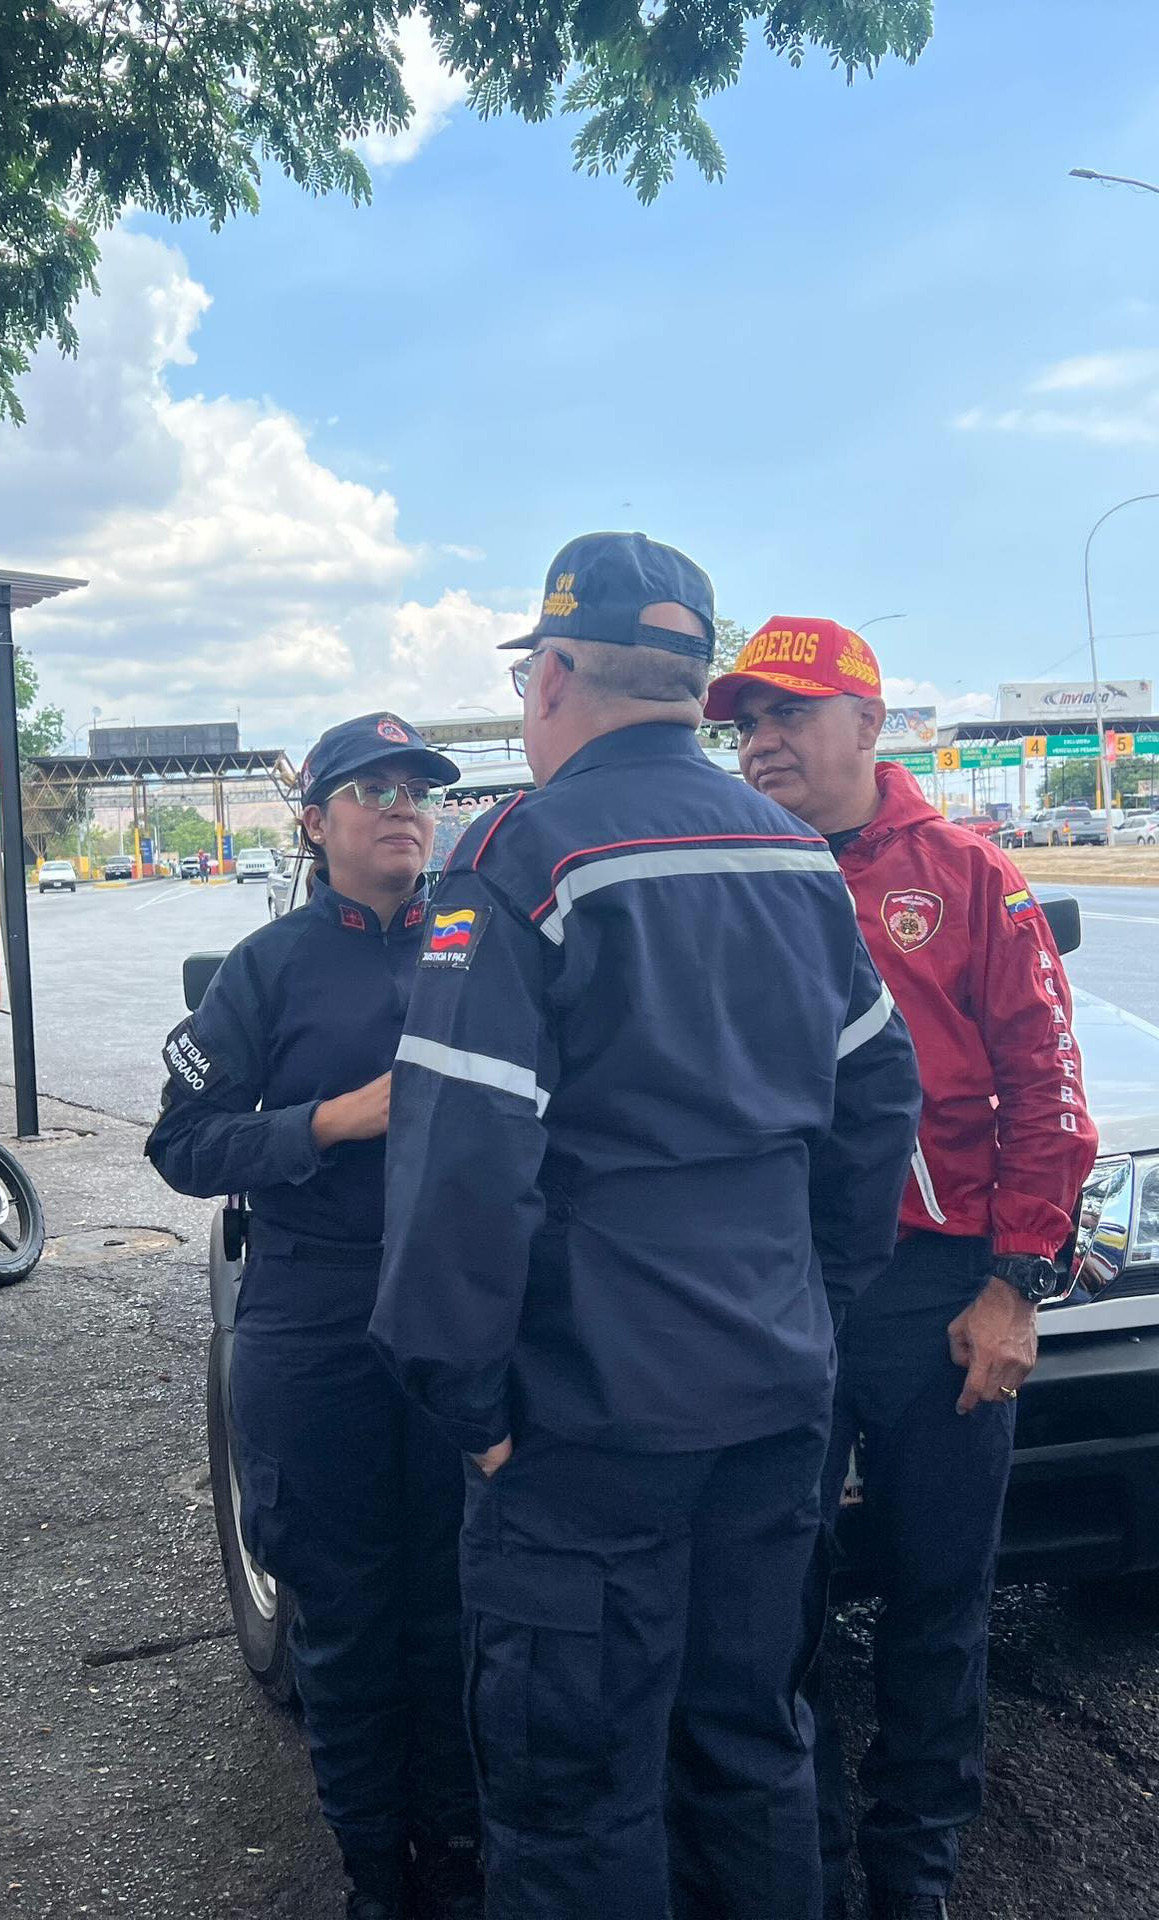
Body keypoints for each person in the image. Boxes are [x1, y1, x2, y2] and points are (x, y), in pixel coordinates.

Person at [369, 534, 923, 1920]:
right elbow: (878, 1103)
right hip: (770, 1405)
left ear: (554, 675)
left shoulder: (517, 854)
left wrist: (468, 1403)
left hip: (585, 1430)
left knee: (577, 1800)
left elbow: (459, 1162)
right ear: (688, 684)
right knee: (751, 1753)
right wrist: (815, 1308)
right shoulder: (798, 858)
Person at [705, 618, 1100, 1920]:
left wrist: (1015, 1285)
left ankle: (914, 1872)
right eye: (746, 722)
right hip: (776, 1294)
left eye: (790, 715)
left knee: (939, 1595)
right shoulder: (729, 874)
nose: (762, 744)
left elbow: (1047, 1088)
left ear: (869, 726)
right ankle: (804, 1865)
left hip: (938, 1298)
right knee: (773, 1599)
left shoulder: (968, 873)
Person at [145, 712, 482, 1920]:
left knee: (454, 1610)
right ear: (315, 823)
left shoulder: (480, 949)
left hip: (457, 1315)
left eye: (418, 791)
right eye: (372, 790)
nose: (403, 809)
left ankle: (458, 1865)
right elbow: (182, 1144)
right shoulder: (267, 968)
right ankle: (375, 1878)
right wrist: (331, 1122)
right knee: (343, 1616)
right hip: (316, 1316)